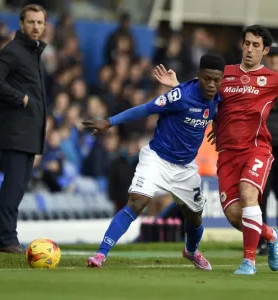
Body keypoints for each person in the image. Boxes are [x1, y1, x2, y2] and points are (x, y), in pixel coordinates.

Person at [82, 53, 225, 269]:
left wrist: (218, 125)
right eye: (207, 79)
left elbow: (219, 114)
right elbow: (145, 108)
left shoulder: (218, 98)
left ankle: (191, 251)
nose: (212, 84)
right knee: (137, 201)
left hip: (185, 168)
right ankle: (101, 254)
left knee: (194, 218)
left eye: (217, 80)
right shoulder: (179, 95)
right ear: (198, 75)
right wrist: (109, 122)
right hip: (157, 159)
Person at [156, 25, 278, 275]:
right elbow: (202, 95)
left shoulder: (273, 79)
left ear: (265, 50)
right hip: (227, 153)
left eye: (256, 46)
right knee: (235, 216)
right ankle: (271, 235)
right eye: (247, 43)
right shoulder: (226, 73)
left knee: (248, 194)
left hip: (256, 149)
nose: (250, 49)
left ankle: (249, 262)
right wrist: (176, 84)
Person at [0, 4, 47, 254]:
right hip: (15, 131)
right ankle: (5, 239)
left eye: (40, 23)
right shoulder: (13, 50)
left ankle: (7, 237)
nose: (35, 27)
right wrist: (19, 97)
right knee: (13, 185)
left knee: (18, 186)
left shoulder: (32, 53)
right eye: (31, 22)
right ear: (21, 24)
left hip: (27, 131)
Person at [257, 44, 278, 254]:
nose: (273, 61)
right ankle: (262, 240)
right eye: (270, 57)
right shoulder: (260, 83)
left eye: (276, 57)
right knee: (259, 193)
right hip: (264, 147)